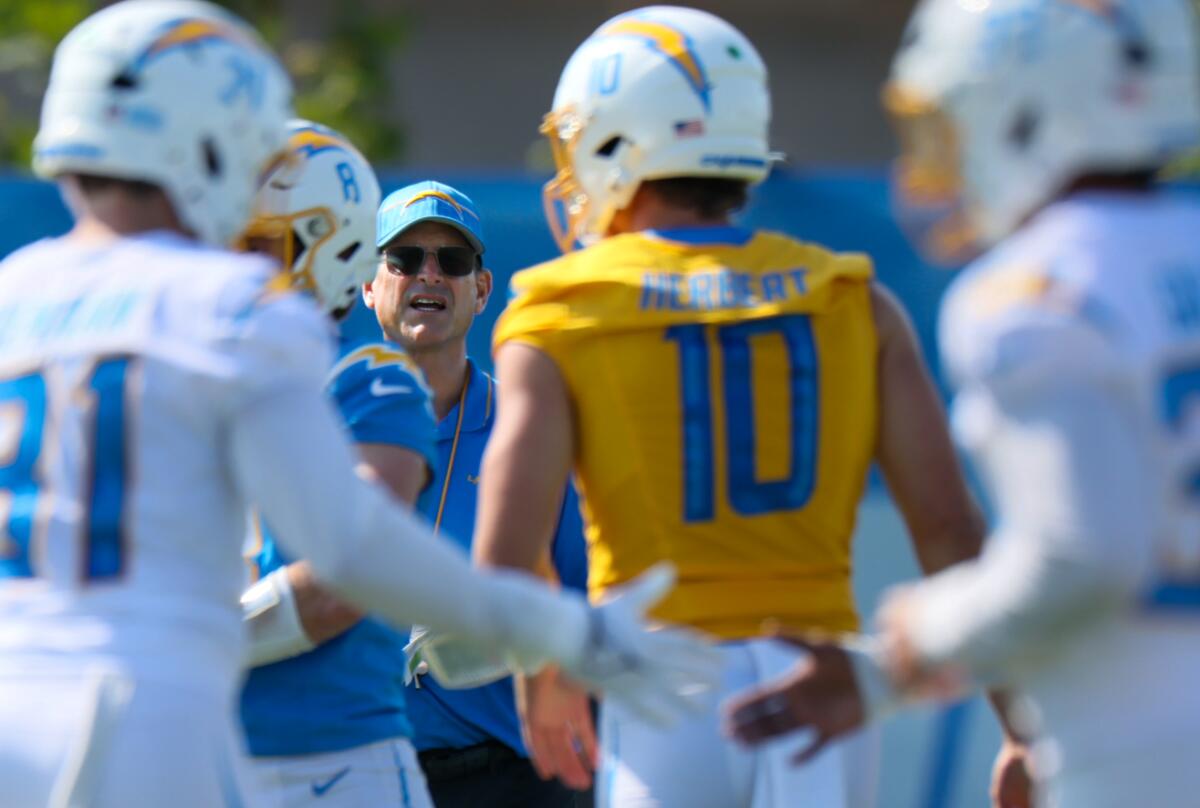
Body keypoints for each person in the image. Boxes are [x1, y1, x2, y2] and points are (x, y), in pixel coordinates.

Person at [0, 3, 723, 806]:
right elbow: (351, 554)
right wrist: (554, 628)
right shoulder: (233, 306)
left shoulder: (14, 291)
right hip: (159, 708)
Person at [468, 6, 991, 807]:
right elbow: (952, 534)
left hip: (664, 683)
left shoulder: (563, 309)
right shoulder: (852, 299)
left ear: (616, 141)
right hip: (827, 684)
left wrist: (547, 668)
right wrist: (1022, 725)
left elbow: (506, 554)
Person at [724, 1, 1200, 807]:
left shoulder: (1031, 297)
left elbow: (1077, 559)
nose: (939, 159)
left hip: (1136, 754)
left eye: (953, 120)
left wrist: (905, 650)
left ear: (1026, 109)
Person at [363, 180, 591, 807]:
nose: (428, 275)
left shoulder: (532, 428)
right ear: (368, 285)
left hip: (505, 779)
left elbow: (580, 606)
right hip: (355, 773)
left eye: (453, 261)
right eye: (404, 260)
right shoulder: (325, 424)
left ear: (482, 290)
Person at [237, 120, 441, 806]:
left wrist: (189, 636)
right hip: (194, 753)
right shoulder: (178, 374)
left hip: (331, 764)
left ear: (335, 247)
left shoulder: (368, 378)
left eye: (256, 243)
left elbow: (346, 579)